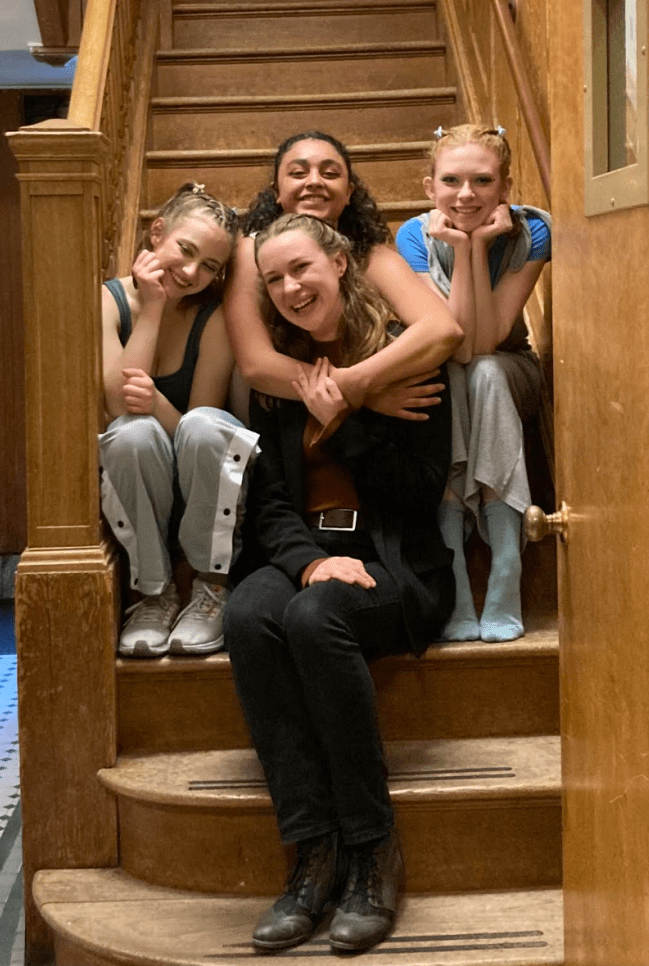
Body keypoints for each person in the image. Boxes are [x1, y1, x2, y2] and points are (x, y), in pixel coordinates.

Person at [224, 213, 454, 954]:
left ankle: (369, 848)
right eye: (274, 280)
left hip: (392, 561)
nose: (291, 288)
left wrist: (347, 415)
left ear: (340, 263)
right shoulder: (280, 374)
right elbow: (267, 502)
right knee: (250, 613)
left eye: (301, 269)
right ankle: (311, 853)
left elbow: (418, 496)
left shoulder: (399, 359)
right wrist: (306, 559)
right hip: (307, 553)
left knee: (313, 617)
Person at [396, 124, 552, 643]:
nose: (466, 195)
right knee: (455, 372)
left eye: (483, 181)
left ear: (505, 188)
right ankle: (458, 575)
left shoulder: (533, 232)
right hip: (454, 374)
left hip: (511, 373)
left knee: (482, 372)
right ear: (429, 188)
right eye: (452, 181)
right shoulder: (413, 237)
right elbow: (453, 343)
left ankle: (505, 567)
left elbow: (485, 342)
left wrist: (479, 245)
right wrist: (465, 249)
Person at [100, 183, 260, 658]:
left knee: (204, 426)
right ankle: (153, 593)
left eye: (210, 266)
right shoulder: (108, 300)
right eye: (185, 251)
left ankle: (211, 587)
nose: (191, 272)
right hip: (139, 472)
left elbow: (197, 422)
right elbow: (116, 404)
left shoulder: (214, 315)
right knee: (130, 434)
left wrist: (153, 403)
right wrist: (151, 309)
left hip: (203, 477)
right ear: (157, 233)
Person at [224, 130, 463, 419]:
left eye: (330, 173)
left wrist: (359, 381)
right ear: (276, 191)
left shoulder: (371, 257)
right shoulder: (252, 252)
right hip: (282, 405)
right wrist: (358, 393)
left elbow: (441, 330)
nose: (314, 181)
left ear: (349, 192)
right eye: (298, 173)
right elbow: (255, 364)